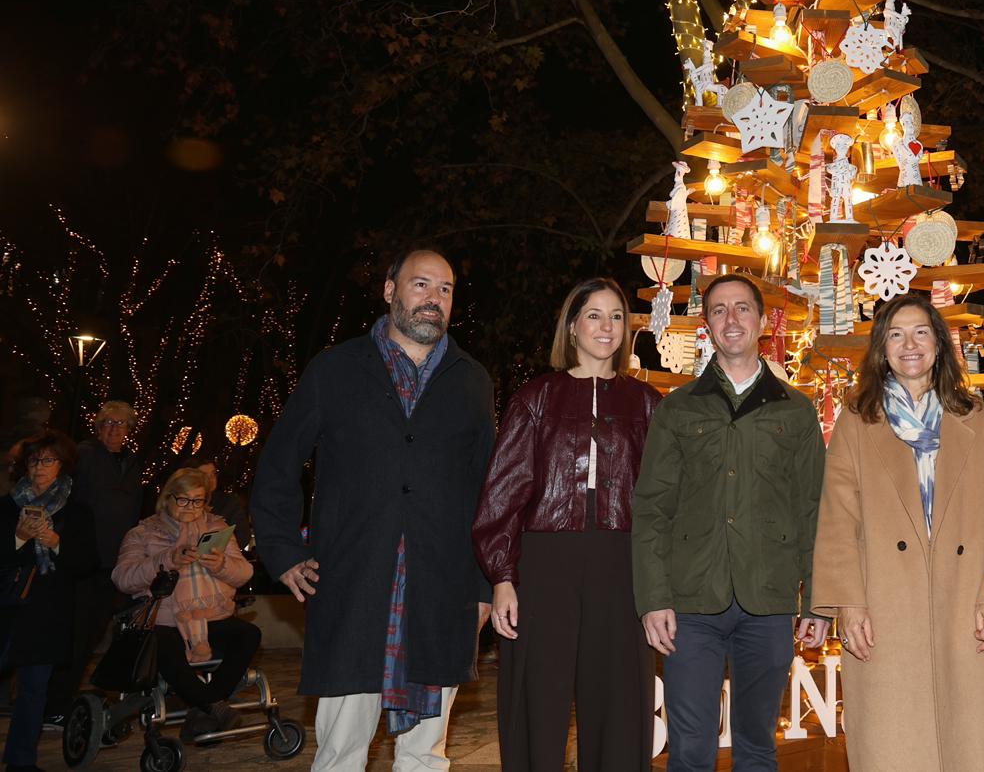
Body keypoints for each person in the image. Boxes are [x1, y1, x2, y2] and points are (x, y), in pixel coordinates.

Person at [252, 248, 496, 772]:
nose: (433, 298)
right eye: (421, 284)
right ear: (390, 290)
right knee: (341, 753)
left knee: (426, 756)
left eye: (445, 289)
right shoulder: (334, 370)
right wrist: (283, 550)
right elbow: (278, 465)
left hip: (441, 594)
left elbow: (486, 493)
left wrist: (484, 587)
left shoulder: (473, 381)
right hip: (353, 588)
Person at [810, 293, 984, 771]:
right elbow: (838, 518)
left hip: (967, 606)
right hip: (883, 611)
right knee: (893, 746)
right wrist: (848, 603)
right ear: (881, 348)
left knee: (971, 745)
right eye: (896, 334)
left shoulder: (975, 418)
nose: (909, 345)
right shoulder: (857, 420)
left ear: (939, 345)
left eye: (921, 333)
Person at [632, 273, 828, 772]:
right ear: (708, 325)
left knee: (758, 745)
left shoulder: (796, 411)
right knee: (690, 750)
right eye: (719, 310)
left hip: (769, 601)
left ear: (762, 321)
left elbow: (813, 510)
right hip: (691, 604)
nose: (731, 318)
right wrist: (654, 598)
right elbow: (652, 507)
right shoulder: (678, 409)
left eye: (742, 308)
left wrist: (817, 600)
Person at [472, 278, 660, 772]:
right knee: (537, 700)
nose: (606, 326)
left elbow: (666, 501)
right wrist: (503, 577)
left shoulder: (647, 403)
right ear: (572, 326)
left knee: (621, 704)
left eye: (616, 316)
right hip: (544, 565)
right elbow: (502, 494)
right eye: (594, 315)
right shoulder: (536, 397)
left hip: (623, 566)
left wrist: (663, 583)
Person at [112, 467, 262, 739]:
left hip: (210, 614)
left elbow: (244, 573)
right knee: (162, 642)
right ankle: (213, 705)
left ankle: (204, 707)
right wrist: (167, 560)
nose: (191, 507)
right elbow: (123, 578)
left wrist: (221, 565)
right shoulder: (143, 533)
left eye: (197, 501)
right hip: (164, 618)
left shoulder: (217, 528)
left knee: (248, 634)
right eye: (183, 500)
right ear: (167, 498)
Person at [0, 429, 94, 772]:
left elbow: (87, 562)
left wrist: (56, 543)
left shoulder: (77, 511)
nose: (39, 467)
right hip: (7, 608)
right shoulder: (7, 506)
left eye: (48, 460)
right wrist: (18, 538)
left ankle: (21, 762)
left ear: (62, 465)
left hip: (47, 613)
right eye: (33, 460)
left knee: (34, 690)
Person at [51, 400, 145, 718]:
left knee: (97, 635)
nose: (114, 429)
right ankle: (56, 703)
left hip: (116, 563)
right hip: (86, 562)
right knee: (76, 635)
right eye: (108, 422)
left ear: (130, 429)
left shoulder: (131, 462)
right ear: (98, 426)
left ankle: (79, 698)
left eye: (121, 424)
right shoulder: (85, 455)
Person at [191, 456, 253, 551]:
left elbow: (242, 536)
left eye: (213, 474)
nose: (211, 479)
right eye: (204, 475)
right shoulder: (184, 502)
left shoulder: (228, 502)